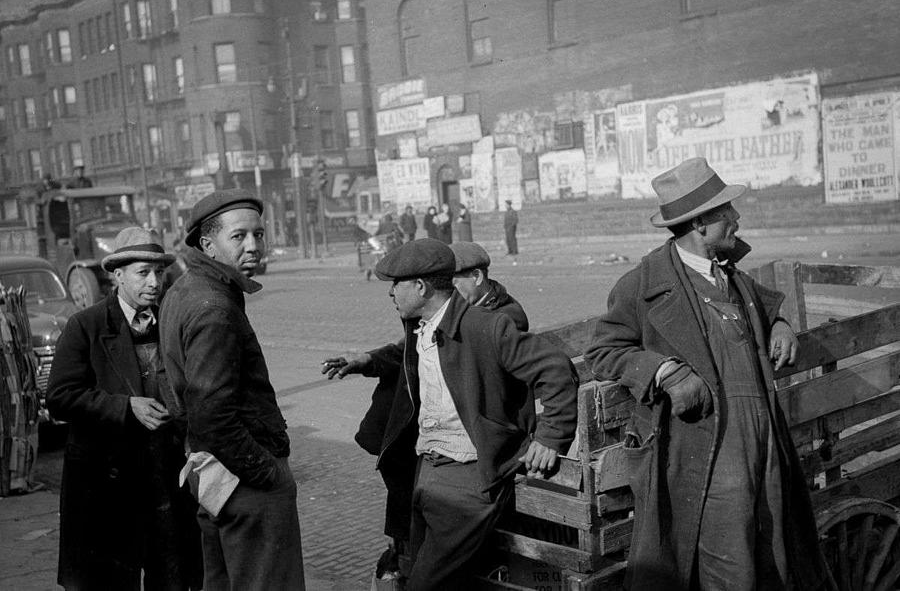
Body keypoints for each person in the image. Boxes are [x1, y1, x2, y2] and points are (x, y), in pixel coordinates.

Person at [584, 157, 832, 591]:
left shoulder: (730, 275)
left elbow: (766, 302)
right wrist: (663, 370)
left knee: (775, 557)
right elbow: (603, 350)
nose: (736, 219)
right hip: (707, 455)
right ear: (700, 224)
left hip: (765, 448)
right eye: (726, 213)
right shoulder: (642, 284)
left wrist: (780, 323)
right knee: (728, 569)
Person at [322, 239, 578, 589]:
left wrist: (551, 436)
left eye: (396, 285)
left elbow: (556, 369)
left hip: (469, 478)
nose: (391, 293)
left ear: (421, 287)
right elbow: (402, 355)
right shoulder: (422, 328)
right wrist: (364, 362)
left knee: (425, 584)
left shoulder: (487, 326)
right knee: (423, 571)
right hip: (427, 470)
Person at [159, 190, 305, 591]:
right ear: (208, 244)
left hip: (213, 477)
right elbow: (212, 414)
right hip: (245, 486)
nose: (254, 246)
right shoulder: (214, 308)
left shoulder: (185, 291)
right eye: (238, 237)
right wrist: (268, 473)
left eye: (259, 234)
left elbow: (174, 388)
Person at [46, 227, 202, 590]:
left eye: (159, 273)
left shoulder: (170, 323)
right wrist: (125, 407)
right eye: (143, 273)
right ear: (117, 276)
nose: (154, 282)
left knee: (173, 577)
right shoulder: (85, 326)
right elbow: (60, 395)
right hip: (108, 486)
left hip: (166, 480)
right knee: (113, 580)